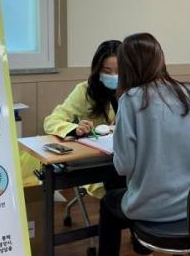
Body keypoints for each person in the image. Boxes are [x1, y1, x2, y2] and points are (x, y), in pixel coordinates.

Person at [80, 33, 190, 256]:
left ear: (128, 66)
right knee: (134, 195)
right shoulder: (188, 92)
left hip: (153, 206)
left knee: (112, 202)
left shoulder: (131, 100)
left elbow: (123, 167)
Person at [20, 40, 121, 192]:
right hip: (96, 163)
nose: (114, 76)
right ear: (97, 70)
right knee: (117, 188)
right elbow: (52, 121)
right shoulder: (85, 91)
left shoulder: (133, 91)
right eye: (107, 71)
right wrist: (75, 129)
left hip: (125, 160)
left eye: (119, 71)